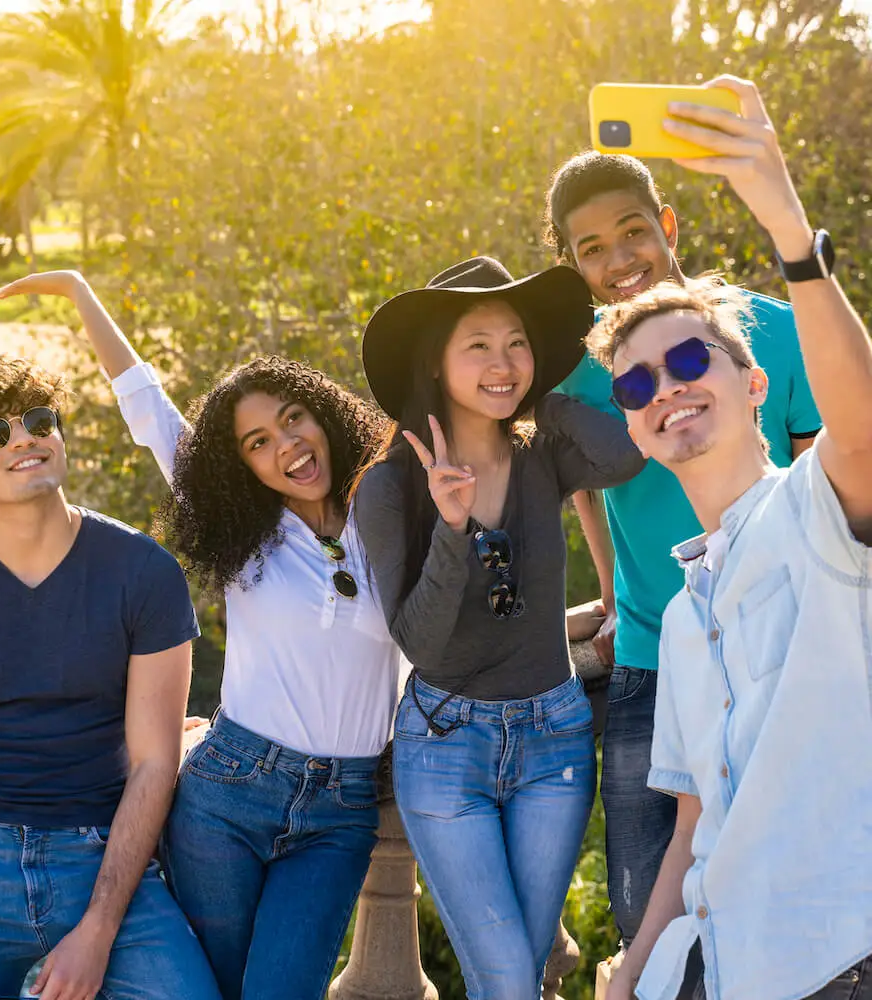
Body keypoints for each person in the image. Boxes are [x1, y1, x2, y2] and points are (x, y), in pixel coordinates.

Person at [0, 270, 401, 1000]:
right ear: (239, 464)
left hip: (341, 811)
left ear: (326, 414)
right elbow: (149, 409)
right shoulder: (245, 536)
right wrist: (82, 292)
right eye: (258, 443)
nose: (288, 448)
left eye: (294, 419)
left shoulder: (393, 516)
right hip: (227, 799)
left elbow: (445, 625)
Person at [588, 76, 872, 1000]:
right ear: (630, 427)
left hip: (829, 959)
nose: (663, 389)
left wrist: (789, 232)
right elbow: (689, 829)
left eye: (686, 361)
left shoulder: (817, 512)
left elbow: (861, 431)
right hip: (707, 966)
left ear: (754, 385)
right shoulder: (678, 618)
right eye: (637, 386)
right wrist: (632, 972)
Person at [0, 354, 221, 1000]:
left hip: (102, 857)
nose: (24, 439)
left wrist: (98, 928)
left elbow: (153, 763)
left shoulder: (145, 575)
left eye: (38, 421)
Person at [543, 142, 820, 951]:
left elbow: (816, 485)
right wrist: (606, 584)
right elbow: (588, 489)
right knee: (644, 908)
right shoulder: (584, 368)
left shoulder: (776, 328)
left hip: (774, 654)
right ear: (571, 265)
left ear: (667, 223)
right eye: (591, 248)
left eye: (633, 232)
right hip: (648, 656)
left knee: (772, 894)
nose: (619, 260)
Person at [353, 256, 645, 1000]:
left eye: (517, 342)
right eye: (477, 344)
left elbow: (626, 455)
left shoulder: (541, 452)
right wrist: (453, 529)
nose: (502, 362)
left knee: (527, 970)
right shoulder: (389, 488)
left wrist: (546, 398)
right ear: (435, 362)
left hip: (555, 738)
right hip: (448, 746)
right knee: (509, 982)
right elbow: (418, 641)